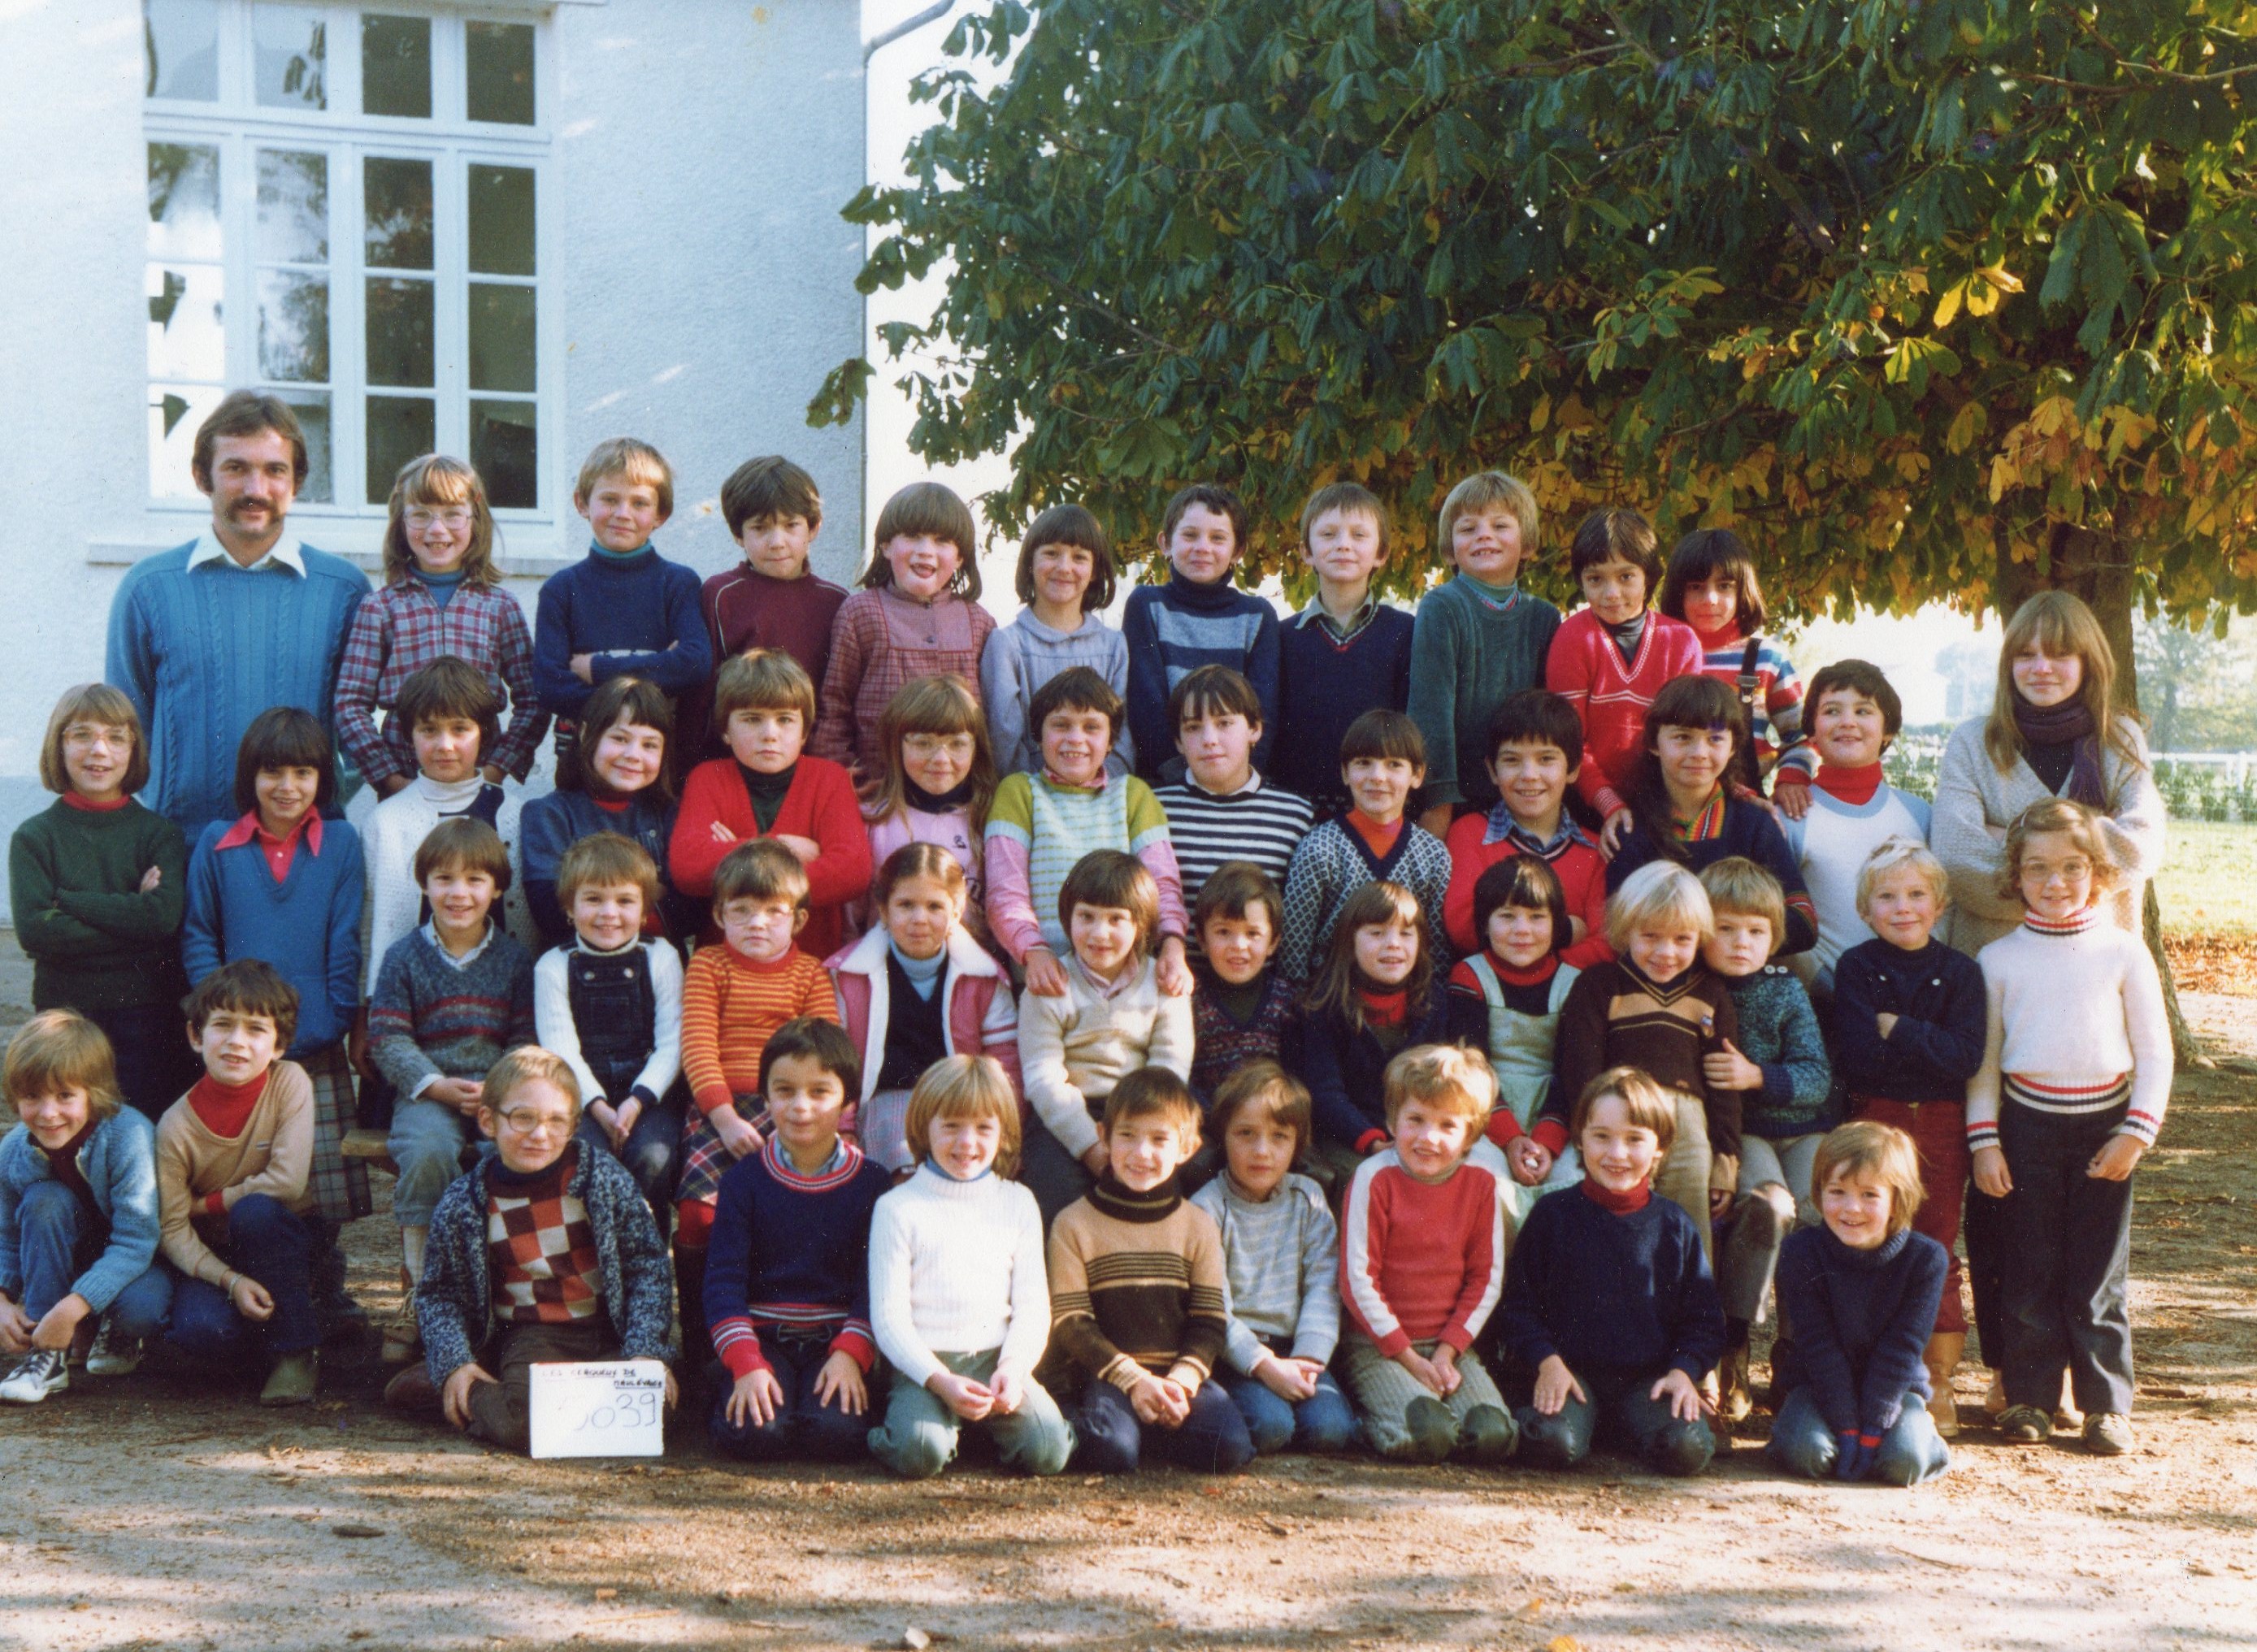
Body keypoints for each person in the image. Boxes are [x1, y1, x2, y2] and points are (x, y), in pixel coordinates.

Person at [1970, 799, 2171, 1455]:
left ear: (2098, 872)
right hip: (2026, 1126)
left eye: (2070, 867)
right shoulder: (1997, 958)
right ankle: (2029, 1395)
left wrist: (2136, 1131)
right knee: (2029, 1263)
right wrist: (1985, 1140)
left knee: (2095, 1270)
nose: (2054, 883)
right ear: (2015, 875)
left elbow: (2154, 1051)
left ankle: (2104, 1404)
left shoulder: (2122, 951)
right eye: (2037, 869)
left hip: (2104, 1128)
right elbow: (1986, 1064)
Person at [105, 390, 369, 842]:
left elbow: (362, 731)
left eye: (274, 470)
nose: (255, 489)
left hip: (305, 860)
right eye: (236, 468)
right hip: (180, 856)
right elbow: (125, 729)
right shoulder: (149, 588)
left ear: (297, 481)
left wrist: (322, 803)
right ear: (201, 476)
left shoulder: (344, 591)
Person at [391, 1047, 676, 1453]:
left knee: (652, 1411)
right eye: (522, 1117)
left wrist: (646, 1351)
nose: (540, 1134)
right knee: (525, 1423)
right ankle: (467, 1389)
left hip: (605, 1330)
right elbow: (440, 1294)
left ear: (574, 1126)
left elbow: (648, 1267)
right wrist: (455, 1360)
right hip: (533, 1335)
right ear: (489, 1121)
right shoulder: (465, 1202)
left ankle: (473, 1388)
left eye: (556, 1121)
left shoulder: (603, 1180)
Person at [184, 708, 371, 1245]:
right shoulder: (219, 844)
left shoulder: (341, 843)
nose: (287, 787)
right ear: (251, 776)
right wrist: (219, 1015)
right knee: (246, 1177)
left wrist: (331, 1017)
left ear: (322, 778)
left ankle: (324, 1285)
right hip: (240, 1045)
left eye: (303, 773)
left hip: (313, 1035)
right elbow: (200, 934)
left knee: (316, 1182)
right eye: (272, 772)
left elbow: (344, 940)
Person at [1832, 837, 1987, 1437]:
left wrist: (1900, 1026)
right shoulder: (1855, 967)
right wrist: (1926, 1045)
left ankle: (1936, 1377)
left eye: (1916, 894)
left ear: (1939, 902)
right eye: (1887, 896)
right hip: (1875, 1116)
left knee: (1936, 1243)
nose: (1903, 907)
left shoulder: (1960, 973)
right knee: (1871, 1235)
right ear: (1866, 906)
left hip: (1941, 1122)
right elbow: (1860, 1056)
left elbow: (1965, 1058)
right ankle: (1869, 1368)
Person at [1503, 1067, 1725, 1476]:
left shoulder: (1674, 1225)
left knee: (1686, 1450)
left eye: (1634, 1139)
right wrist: (1546, 1361)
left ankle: (1629, 1428)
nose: (1617, 1154)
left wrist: (1683, 1371)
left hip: (1648, 1382)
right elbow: (1519, 1306)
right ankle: (1587, 1427)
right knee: (1551, 1443)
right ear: (1580, 1140)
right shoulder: (1553, 1215)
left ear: (1660, 1147)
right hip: (1571, 1376)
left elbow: (1705, 1320)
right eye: (1601, 1136)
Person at [371, 818, 537, 1364]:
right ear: (424, 885)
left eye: (474, 880)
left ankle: (506, 1300)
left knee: (509, 1159)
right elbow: (389, 1037)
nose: (458, 893)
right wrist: (437, 1085)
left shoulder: (515, 960)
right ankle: (419, 1294)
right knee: (426, 1152)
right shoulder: (403, 956)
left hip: (501, 1094)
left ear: (496, 889)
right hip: (430, 1092)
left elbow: (524, 1035)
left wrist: (498, 1089)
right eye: (444, 879)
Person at [671, 840, 840, 1368]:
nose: (757, 923)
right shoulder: (709, 964)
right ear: (720, 914)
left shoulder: (810, 972)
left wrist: (794, 1114)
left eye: (772, 911)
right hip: (718, 1109)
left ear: (798, 917)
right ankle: (701, 1343)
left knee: (795, 1212)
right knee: (698, 1215)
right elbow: (697, 1044)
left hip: (791, 1109)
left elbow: (823, 1049)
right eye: (740, 910)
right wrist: (722, 1117)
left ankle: (787, 1332)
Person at [864, 1055, 1074, 1480]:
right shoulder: (898, 1207)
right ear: (925, 1126)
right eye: (951, 1126)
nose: (967, 1143)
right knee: (920, 1452)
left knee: (1049, 1450)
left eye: (983, 1128)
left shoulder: (1017, 1202)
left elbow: (1033, 1307)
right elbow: (889, 1319)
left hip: (996, 1361)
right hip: (924, 1366)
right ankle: (896, 1429)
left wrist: (1013, 1371)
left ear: (1003, 1134)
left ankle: (980, 1428)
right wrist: (939, 1381)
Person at [1043, 1069, 1255, 1474]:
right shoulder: (1074, 1223)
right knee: (1112, 1453)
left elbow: (1210, 1320)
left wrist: (1179, 1383)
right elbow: (1072, 1322)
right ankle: (1131, 1428)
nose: (1142, 1153)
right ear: (1103, 1136)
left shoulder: (1197, 1224)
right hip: (1111, 1375)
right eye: (1127, 1136)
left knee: (1230, 1449)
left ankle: (1153, 1422)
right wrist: (1135, 1381)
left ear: (1187, 1147)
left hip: (1178, 1374)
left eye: (1160, 1139)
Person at [1525, 862, 1742, 1257]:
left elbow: (1725, 1084)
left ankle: (1695, 1313)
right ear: (1626, 931)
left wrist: (1726, 1157)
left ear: (1700, 938)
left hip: (1689, 1125)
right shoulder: (1598, 985)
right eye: (1651, 936)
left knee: (1688, 1226)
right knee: (1611, 1224)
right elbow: (1580, 1070)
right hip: (1616, 1118)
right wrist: (1589, 1130)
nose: (1666, 952)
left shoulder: (1711, 993)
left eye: (1682, 939)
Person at [1932, 590, 2165, 955]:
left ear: (2088, 661)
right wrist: (2094, 836)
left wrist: (2008, 838)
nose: (2041, 667)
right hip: (1992, 967)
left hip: (2096, 964)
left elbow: (2140, 848)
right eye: (2026, 654)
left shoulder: (2119, 739)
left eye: (2059, 653)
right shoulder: (1973, 742)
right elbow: (1956, 860)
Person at [705, 1019, 892, 1463]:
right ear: (765, 1096)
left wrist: (852, 1354)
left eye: (819, 1092)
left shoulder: (872, 1183)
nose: (800, 1107)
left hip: (837, 1340)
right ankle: (732, 1386)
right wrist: (746, 1362)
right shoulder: (743, 1181)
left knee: (836, 1435)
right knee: (757, 1435)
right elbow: (722, 1284)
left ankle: (817, 1401)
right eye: (784, 1090)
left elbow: (877, 1285)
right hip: (763, 1338)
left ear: (847, 1100)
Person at [10, 685, 195, 1120]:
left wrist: (71, 901)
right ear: (60, 744)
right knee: (72, 1132)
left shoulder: (159, 835)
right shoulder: (35, 838)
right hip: (65, 1015)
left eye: (115, 737)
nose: (99, 751)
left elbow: (162, 920)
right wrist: (132, 909)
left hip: (148, 1015)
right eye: (82, 735)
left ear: (134, 748)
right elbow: (37, 931)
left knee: (142, 1131)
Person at [1697, 857, 1834, 1420]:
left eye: (1755, 931)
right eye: (1725, 929)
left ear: (1773, 937)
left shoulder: (1784, 989)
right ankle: (1733, 1344)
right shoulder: (1693, 991)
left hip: (1800, 1128)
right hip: (1744, 1132)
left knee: (1819, 1216)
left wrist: (1759, 1076)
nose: (1739, 943)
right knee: (1767, 1207)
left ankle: (1796, 1350)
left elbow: (1815, 1073)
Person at [1338, 1044, 1517, 1465]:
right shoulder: (1374, 1178)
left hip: (1445, 1345)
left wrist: (1447, 1352)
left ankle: (1434, 1400)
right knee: (1429, 1437)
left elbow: (1485, 1279)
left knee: (1492, 1436)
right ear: (1392, 1120)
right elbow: (1357, 1279)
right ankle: (1365, 1415)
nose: (1428, 1138)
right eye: (1415, 1120)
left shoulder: (1482, 1186)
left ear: (1470, 1135)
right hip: (1379, 1346)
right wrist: (1408, 1358)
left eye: (1447, 1126)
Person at [155, 961, 323, 1406]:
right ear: (196, 1036)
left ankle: (296, 1351)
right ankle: (261, 1334)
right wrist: (230, 1281)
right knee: (201, 1332)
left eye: (255, 1030)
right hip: (217, 1255)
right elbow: (172, 1229)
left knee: (256, 1212)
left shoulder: (290, 1083)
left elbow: (287, 1182)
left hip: (281, 1233)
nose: (236, 1042)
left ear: (279, 1045)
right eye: (223, 1025)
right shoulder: (175, 1126)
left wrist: (207, 1204)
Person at [332, 453, 547, 800]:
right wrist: (389, 779)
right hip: (405, 781)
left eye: (452, 515)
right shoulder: (380, 608)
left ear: (475, 520)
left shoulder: (500, 607)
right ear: (401, 523)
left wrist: (496, 770)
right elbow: (349, 703)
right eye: (421, 515)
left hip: (480, 783)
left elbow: (534, 699)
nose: (437, 529)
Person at [983, 667, 1192, 999]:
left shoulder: (1133, 796)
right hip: (1045, 978)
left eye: (1092, 727)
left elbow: (1163, 885)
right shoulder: (1019, 792)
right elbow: (1004, 891)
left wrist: (1172, 945)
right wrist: (1033, 951)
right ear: (1039, 734)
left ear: (1110, 741)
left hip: (1126, 981)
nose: (1075, 739)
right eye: (1061, 725)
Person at [1767, 1120, 1952, 1486]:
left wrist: (1872, 1429)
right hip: (1818, 1383)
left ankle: (1925, 1436)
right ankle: (1803, 1431)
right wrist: (1848, 1430)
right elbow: (1817, 1345)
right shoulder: (1801, 1252)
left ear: (1898, 1199)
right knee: (1809, 1455)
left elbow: (1902, 1349)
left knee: (1905, 1464)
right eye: (1837, 1192)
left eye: (1870, 1195)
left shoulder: (1925, 1260)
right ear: (1819, 1193)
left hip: (1895, 1388)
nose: (1852, 1209)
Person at [1017, 852, 1196, 1225]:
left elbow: (1170, 1066)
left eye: (1116, 919)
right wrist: (1094, 1149)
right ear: (1068, 919)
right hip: (1068, 1114)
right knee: (1057, 1193)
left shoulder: (1163, 982)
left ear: (1140, 925)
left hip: (1144, 1110)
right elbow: (1043, 1079)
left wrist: (1135, 1135)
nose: (1099, 933)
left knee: (1183, 1179)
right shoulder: (1048, 985)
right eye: (1087, 917)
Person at [0, 1013, 170, 1403]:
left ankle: (103, 1327)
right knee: (44, 1201)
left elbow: (136, 1240)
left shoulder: (127, 1134)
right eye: (32, 1097)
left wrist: (71, 1309)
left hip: (135, 1266)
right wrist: (3, 1300)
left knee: (140, 1311)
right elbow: (6, 1237)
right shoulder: (13, 1150)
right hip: (66, 1262)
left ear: (93, 1092)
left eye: (64, 1096)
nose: (48, 1113)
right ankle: (48, 1356)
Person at [1190, 1061, 1356, 1455]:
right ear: (1223, 1137)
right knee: (1271, 1427)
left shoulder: (1308, 1199)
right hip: (1239, 1355)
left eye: (1279, 1136)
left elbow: (1324, 1285)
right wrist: (1264, 1366)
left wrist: (1308, 1359)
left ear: (1298, 1144)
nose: (1261, 1151)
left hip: (1297, 1347)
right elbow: (1214, 1306)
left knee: (1330, 1432)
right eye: (1245, 1134)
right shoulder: (1207, 1208)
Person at [827, 843, 1021, 1173]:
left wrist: (1004, 1133)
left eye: (934, 906)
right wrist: (843, 1126)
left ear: (957, 911)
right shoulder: (847, 976)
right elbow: (833, 1063)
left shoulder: (984, 979)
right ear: (884, 910)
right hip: (880, 1109)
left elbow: (1004, 1068)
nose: (920, 919)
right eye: (905, 905)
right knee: (906, 1172)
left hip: (958, 1111)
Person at [669, 648, 872, 962]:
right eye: (752, 719)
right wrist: (779, 847)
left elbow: (852, 872)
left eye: (785, 720)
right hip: (725, 972)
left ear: (804, 731)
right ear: (725, 728)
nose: (770, 734)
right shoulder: (708, 778)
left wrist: (734, 855)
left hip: (811, 967)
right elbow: (688, 867)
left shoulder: (829, 779)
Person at [1604, 674, 1818, 955]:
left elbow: (1803, 921)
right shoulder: (1632, 827)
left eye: (1715, 739)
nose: (1699, 752)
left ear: (1732, 747)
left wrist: (1696, 939)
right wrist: (1738, 929)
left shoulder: (1753, 823)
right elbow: (1621, 927)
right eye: (1682, 737)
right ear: (1654, 744)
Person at [531, 834, 684, 1211]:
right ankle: (592, 1259)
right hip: (581, 1096)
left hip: (651, 1094)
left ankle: (646, 1254)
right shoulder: (553, 966)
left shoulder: (662, 957)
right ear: (569, 906)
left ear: (645, 907)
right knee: (584, 1162)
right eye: (594, 899)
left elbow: (674, 1041)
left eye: (625, 901)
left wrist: (637, 1100)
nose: (609, 914)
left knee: (653, 1157)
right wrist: (598, 1107)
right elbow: (560, 1048)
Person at [1407, 471, 1564, 837]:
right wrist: (1437, 807)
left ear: (1527, 543)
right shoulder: (1442, 606)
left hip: (1526, 792)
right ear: (1450, 549)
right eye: (1468, 528)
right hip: (1452, 802)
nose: (1484, 535)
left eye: (1499, 525)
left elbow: (1548, 714)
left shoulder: (1544, 617)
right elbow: (1430, 715)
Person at [358, 657, 527, 992]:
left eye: (460, 728)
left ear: (484, 733)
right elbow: (370, 929)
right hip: (410, 1007)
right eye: (429, 730)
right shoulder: (385, 822)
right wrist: (367, 1011)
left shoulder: (515, 815)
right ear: (410, 736)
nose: (445, 745)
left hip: (504, 1003)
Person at [812, 481, 996, 785]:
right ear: (885, 545)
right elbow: (834, 706)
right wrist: (839, 779)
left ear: (960, 557)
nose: (926, 551)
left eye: (942, 541)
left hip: (957, 795)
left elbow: (990, 721)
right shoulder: (860, 613)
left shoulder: (980, 623)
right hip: (878, 792)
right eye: (912, 536)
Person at [532, 438, 712, 748]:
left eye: (640, 503)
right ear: (582, 503)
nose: (623, 513)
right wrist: (660, 668)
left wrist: (597, 670)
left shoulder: (678, 583)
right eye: (610, 499)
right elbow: (550, 685)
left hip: (657, 757)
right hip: (581, 756)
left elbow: (694, 663)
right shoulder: (560, 589)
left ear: (661, 514)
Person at [1544, 506, 1704, 848]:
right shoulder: (1573, 638)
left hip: (1664, 801)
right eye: (1595, 579)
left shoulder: (1681, 641)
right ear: (1580, 580)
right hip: (1585, 803)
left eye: (1626, 577)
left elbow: (1688, 733)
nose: (1611, 593)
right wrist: (1608, 803)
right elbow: (1569, 741)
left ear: (1649, 575)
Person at [1775, 660, 1933, 994]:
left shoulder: (1919, 815)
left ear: (1888, 730)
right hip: (1828, 1004)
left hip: (1916, 999)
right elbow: (1777, 915)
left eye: (1863, 711)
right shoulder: (1791, 816)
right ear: (1813, 730)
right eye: (1832, 711)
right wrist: (1824, 984)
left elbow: (1944, 905)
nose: (1847, 722)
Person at [1443, 855, 1581, 1223]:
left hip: (1557, 1115)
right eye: (1507, 916)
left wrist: (1548, 1142)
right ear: (1485, 925)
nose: (1523, 929)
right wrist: (1511, 1139)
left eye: (1537, 917)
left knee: (1576, 1185)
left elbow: (1574, 1074)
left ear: (1556, 924)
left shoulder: (1574, 983)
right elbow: (1471, 1066)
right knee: (1485, 1184)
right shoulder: (1471, 976)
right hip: (1484, 1113)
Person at [1295, 881, 1451, 1189]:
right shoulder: (1323, 1006)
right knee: (1365, 1181)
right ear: (1349, 942)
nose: (1393, 944)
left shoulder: (1434, 1003)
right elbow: (1324, 1093)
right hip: (1349, 1136)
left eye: (1406, 934)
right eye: (1377, 933)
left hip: (1422, 1132)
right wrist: (1372, 1141)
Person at [1275, 709, 1451, 982]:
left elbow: (1437, 955)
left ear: (1417, 775)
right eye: (1364, 763)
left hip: (1404, 1004)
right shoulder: (1319, 849)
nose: (1378, 776)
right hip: (1329, 1002)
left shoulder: (1433, 856)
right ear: (1345, 772)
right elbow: (1293, 955)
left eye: (1394, 764)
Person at [1122, 483, 1281, 783]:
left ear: (1238, 550)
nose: (1203, 548)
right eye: (1190, 535)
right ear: (1165, 543)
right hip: (1166, 782)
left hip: (1240, 784)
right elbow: (1146, 705)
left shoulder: (1257, 616)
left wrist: (1240, 779)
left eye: (1218, 538)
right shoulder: (1147, 605)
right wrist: (1184, 778)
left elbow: (1263, 710)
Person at [518, 674, 690, 950]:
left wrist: (588, 896)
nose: (634, 754)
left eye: (649, 745)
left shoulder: (669, 813)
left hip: (659, 972)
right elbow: (551, 914)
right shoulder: (548, 814)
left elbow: (689, 912)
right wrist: (651, 893)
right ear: (587, 734)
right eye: (620, 738)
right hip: (573, 973)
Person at [691, 454, 846, 760]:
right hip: (732, 763)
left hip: (809, 765)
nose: (777, 541)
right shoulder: (720, 595)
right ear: (738, 534)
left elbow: (837, 701)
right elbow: (701, 699)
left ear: (813, 528)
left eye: (791, 526)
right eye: (760, 528)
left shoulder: (836, 602)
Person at [1441, 689, 1611, 968]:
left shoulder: (1594, 850)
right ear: (1493, 771)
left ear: (1573, 769)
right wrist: (1564, 930)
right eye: (1512, 760)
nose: (1529, 775)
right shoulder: (1470, 833)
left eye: (1546, 759)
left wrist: (1538, 972)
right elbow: (1464, 925)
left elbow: (1603, 943)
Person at [1274, 483, 1415, 817]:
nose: (1343, 545)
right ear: (1306, 551)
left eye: (1358, 535)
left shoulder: (1406, 632)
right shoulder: (1282, 636)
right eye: (1328, 534)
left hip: (1381, 811)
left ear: (1381, 553)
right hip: (1297, 812)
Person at [980, 503, 1131, 778]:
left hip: (1099, 805)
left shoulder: (1114, 646)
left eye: (1079, 557)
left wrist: (1098, 794)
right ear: (1029, 563)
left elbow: (1123, 736)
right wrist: (1039, 796)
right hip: (1030, 801)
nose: (1064, 567)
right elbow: (1004, 739)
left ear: (1095, 570)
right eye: (1051, 554)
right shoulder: (1007, 644)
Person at [1658, 527, 1813, 792]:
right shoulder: (1660, 653)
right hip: (1669, 806)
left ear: (1743, 591)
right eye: (1696, 587)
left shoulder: (1765, 659)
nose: (1711, 599)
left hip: (1744, 807)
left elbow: (1803, 738)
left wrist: (1791, 780)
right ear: (1678, 592)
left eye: (1724, 586)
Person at [1153, 666, 1313, 912]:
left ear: (1254, 729)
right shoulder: (1154, 810)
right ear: (1178, 742)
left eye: (1224, 723)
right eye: (1193, 727)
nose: (1209, 739)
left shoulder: (1295, 817)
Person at [857, 674, 999, 947]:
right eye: (923, 743)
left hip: (972, 974)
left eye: (957, 744)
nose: (940, 760)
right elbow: (852, 919)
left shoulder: (988, 818)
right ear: (896, 745)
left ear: (976, 747)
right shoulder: (873, 820)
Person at [1187, 862, 1299, 1108]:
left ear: (1273, 942)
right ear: (1202, 939)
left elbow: (1300, 1079)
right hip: (1207, 1126)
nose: (1238, 945)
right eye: (1224, 932)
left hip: (1272, 1125)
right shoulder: (1189, 1000)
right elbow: (1184, 1079)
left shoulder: (1288, 1002)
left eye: (1252, 934)